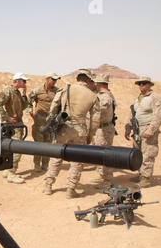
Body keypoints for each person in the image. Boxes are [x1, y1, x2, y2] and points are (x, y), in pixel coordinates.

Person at [43, 68, 100, 199]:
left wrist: (51, 119)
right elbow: (96, 119)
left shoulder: (66, 88)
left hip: (63, 128)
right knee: (77, 160)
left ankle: (48, 185)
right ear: (89, 80)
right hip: (80, 131)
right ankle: (70, 189)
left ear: (77, 78)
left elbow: (54, 105)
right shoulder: (92, 95)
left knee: (56, 156)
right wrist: (90, 135)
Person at [124, 76, 161, 188]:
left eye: (144, 83)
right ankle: (140, 174)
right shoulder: (137, 99)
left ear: (149, 85)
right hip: (137, 129)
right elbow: (132, 114)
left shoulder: (155, 98)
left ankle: (146, 178)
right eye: (140, 84)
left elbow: (159, 116)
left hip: (147, 128)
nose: (141, 85)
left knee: (148, 153)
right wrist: (128, 128)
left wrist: (150, 130)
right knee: (137, 153)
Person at [0, 72, 30, 184]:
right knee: (17, 149)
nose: (25, 83)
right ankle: (11, 173)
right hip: (12, 125)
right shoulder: (8, 91)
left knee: (11, 148)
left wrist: (24, 94)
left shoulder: (17, 93)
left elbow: (23, 107)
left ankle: (8, 170)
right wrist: (7, 118)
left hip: (17, 123)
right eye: (24, 81)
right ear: (18, 81)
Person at [27, 72, 62, 172]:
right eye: (53, 79)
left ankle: (45, 164)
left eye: (56, 80)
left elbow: (61, 105)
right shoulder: (37, 90)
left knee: (48, 145)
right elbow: (29, 101)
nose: (55, 82)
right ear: (47, 79)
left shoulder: (57, 91)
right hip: (39, 122)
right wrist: (30, 111)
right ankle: (37, 164)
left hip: (51, 123)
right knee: (38, 144)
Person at [89, 74, 117, 187]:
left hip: (104, 128)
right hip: (100, 128)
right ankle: (102, 175)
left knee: (106, 154)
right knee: (100, 153)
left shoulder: (105, 97)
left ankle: (107, 180)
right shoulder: (102, 95)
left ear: (99, 83)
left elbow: (100, 113)